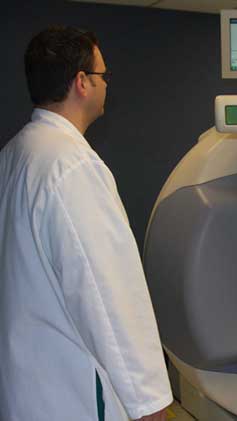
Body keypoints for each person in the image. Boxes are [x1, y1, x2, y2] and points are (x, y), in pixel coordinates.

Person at [0, 26, 172, 421]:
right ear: (82, 82)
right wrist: (151, 405)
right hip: (70, 392)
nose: (106, 85)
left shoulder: (16, 153)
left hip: (28, 385)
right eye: (103, 76)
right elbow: (107, 295)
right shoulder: (72, 165)